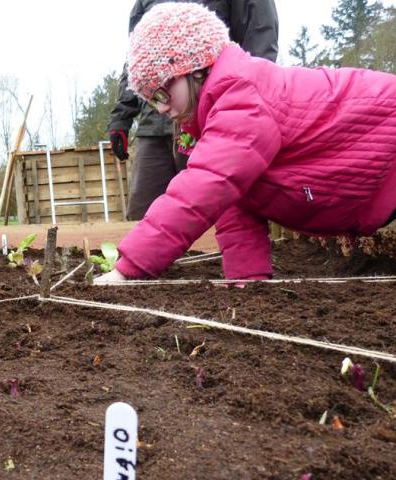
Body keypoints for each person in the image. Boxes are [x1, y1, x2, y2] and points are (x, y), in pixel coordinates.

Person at [95, 2, 396, 284]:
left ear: (194, 68)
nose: (160, 108)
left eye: (161, 93)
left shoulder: (241, 98)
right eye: (151, 99)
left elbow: (200, 192)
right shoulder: (217, 121)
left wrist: (127, 268)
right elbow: (236, 208)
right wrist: (248, 285)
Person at [108, 0, 278, 221]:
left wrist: (244, 108)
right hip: (154, 124)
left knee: (214, 208)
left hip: (211, 119)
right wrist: (122, 116)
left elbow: (259, 39)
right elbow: (138, 60)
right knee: (144, 212)